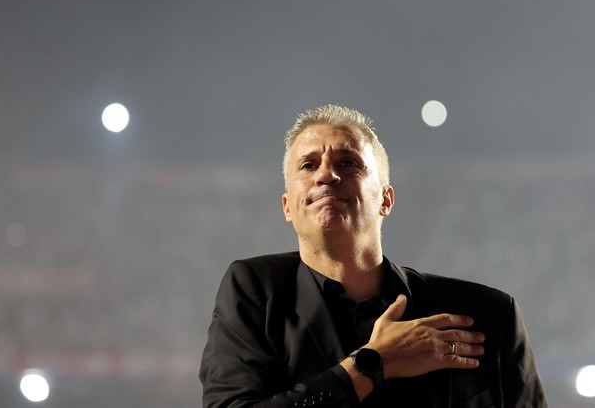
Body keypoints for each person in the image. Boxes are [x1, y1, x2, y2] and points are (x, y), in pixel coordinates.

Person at [199, 104, 547, 407]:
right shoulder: (256, 293)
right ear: (288, 206)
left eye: (348, 163)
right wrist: (372, 364)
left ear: (385, 199)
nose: (326, 174)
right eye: (308, 165)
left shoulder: (487, 315)